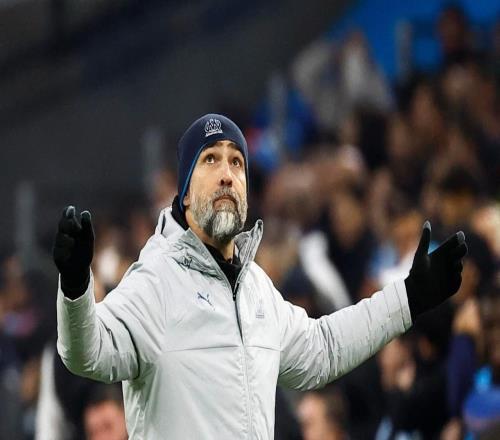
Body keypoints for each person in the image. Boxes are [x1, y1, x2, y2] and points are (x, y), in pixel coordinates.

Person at [54, 113, 467, 439]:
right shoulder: (154, 281)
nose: (227, 174)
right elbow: (87, 352)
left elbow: (323, 348)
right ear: (184, 193)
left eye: (237, 162)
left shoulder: (255, 287)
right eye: (210, 159)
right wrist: (75, 286)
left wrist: (408, 298)